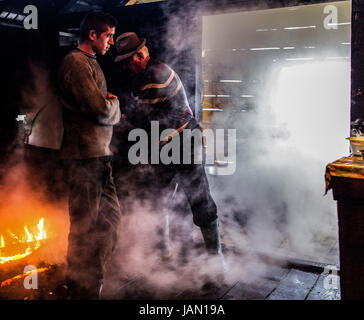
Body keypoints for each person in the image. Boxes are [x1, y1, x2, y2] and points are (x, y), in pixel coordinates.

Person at [112, 32, 226, 272]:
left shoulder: (155, 75)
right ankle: (162, 253)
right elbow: (142, 117)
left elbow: (147, 121)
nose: (125, 66)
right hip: (163, 144)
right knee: (157, 198)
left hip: (183, 143)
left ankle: (216, 260)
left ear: (141, 55)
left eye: (127, 60)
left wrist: (122, 119)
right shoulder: (141, 76)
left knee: (200, 201)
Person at [58, 11, 122, 299]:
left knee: (111, 220)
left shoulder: (93, 63)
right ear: (93, 35)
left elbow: (103, 110)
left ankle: (92, 281)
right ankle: (78, 287)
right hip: (84, 159)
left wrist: (109, 107)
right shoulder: (76, 62)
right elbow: (100, 109)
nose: (111, 41)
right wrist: (114, 104)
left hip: (100, 158)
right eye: (108, 35)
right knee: (84, 226)